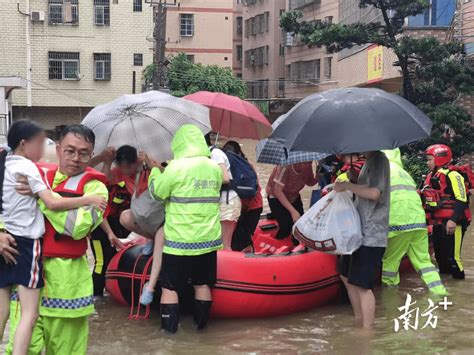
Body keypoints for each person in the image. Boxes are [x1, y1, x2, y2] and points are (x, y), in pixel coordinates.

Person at [0, 121, 106, 355]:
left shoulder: (97, 189)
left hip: (68, 290)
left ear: (91, 155)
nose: (75, 158)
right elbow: (5, 206)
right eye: (69, 150)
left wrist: (42, 198)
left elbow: (76, 228)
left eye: (83, 153)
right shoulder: (32, 174)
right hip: (27, 281)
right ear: (57, 149)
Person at [149, 124, 222, 333]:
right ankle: (201, 330)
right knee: (201, 284)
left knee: (170, 287)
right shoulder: (214, 167)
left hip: (179, 242)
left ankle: (169, 335)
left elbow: (157, 193)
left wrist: (155, 171)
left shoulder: (175, 167)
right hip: (208, 240)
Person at [334, 151, 390, 330]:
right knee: (345, 275)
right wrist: (355, 180)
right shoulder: (368, 161)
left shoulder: (379, 159)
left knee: (361, 284)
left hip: (371, 234)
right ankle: (359, 320)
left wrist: (349, 185)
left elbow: (375, 193)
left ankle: (367, 331)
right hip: (358, 230)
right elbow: (367, 189)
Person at [381, 149, 447, 295]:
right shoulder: (404, 173)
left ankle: (389, 296)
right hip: (418, 222)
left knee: (391, 260)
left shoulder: (381, 171)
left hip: (398, 223)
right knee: (424, 262)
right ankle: (439, 292)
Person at [89, 145, 144, 296]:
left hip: (122, 224)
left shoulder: (141, 175)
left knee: (119, 260)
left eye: (129, 166)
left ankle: (113, 294)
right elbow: (99, 209)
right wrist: (103, 159)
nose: (125, 170)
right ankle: (97, 299)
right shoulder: (111, 176)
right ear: (117, 164)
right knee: (102, 261)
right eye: (122, 166)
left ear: (136, 163)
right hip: (100, 224)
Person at [423, 144, 471, 280]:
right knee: (440, 258)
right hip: (438, 222)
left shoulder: (453, 175)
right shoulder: (432, 176)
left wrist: (453, 220)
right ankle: (448, 292)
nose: (427, 163)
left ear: (439, 159)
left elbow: (462, 199)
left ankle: (459, 291)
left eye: (429, 159)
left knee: (453, 259)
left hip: (453, 222)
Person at [222, 141, 263, 251]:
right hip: (238, 208)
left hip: (252, 207)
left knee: (242, 240)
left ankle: (248, 258)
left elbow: (253, 189)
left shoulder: (246, 168)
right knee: (235, 239)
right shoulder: (225, 168)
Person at [205, 133, 241, 251]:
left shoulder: (215, 153)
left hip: (228, 201)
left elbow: (225, 178)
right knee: (218, 244)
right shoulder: (205, 155)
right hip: (220, 201)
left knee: (225, 244)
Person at [266, 162, 318, 240]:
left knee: (300, 226)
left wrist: (319, 174)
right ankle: (279, 243)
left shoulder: (307, 165)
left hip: (294, 196)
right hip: (276, 197)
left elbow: (310, 182)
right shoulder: (285, 166)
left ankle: (297, 246)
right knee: (286, 227)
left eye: (310, 162)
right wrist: (292, 211)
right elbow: (278, 191)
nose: (308, 164)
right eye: (306, 163)